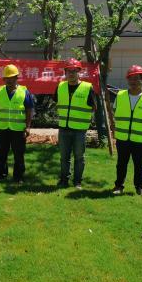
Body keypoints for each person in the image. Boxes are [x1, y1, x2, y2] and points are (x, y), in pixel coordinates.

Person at [112, 65, 142, 197]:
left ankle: (140, 188)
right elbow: (115, 111)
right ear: (127, 80)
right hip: (122, 138)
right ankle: (118, 186)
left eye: (136, 78)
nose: (133, 81)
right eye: (130, 78)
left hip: (140, 139)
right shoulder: (120, 95)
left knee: (139, 165)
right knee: (121, 164)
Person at [53, 58, 97, 189]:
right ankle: (64, 181)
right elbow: (56, 102)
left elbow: (94, 107)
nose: (71, 73)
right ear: (65, 72)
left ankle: (77, 182)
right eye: (69, 71)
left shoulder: (87, 88)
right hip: (64, 128)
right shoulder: (60, 86)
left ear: (79, 72)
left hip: (80, 130)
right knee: (64, 157)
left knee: (79, 157)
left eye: (74, 71)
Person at [0, 64, 34, 183]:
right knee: (1, 154)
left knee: (18, 155)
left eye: (12, 77)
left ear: (16, 78)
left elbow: (29, 110)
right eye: (6, 78)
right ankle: (1, 175)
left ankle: (18, 177)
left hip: (18, 129)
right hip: (2, 129)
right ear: (4, 79)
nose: (9, 80)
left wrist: (28, 127)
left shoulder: (24, 91)